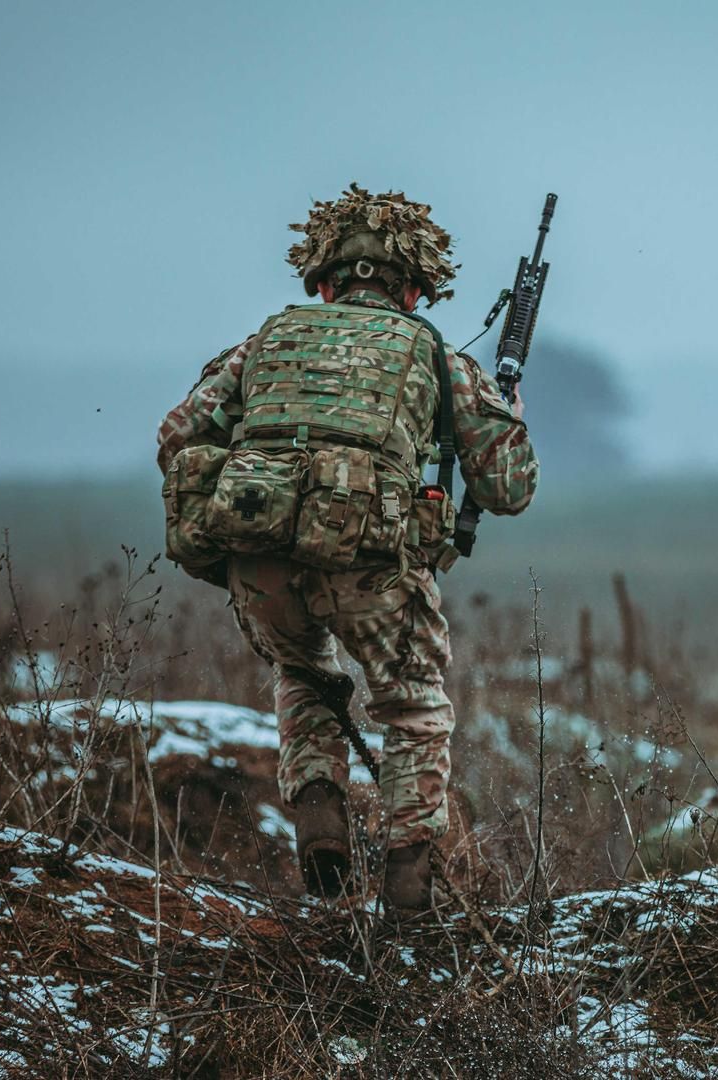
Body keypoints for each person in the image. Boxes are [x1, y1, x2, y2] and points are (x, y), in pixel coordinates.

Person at [156, 184, 538, 915]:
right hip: (371, 566)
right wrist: (509, 418)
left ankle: (322, 822)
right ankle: (408, 890)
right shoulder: (430, 351)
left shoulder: (265, 340)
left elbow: (177, 435)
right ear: (418, 288)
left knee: (302, 673)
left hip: (259, 559)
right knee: (413, 707)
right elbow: (510, 486)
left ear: (323, 279)